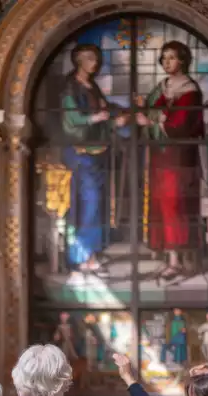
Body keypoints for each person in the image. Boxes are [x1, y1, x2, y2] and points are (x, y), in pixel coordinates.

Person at [137, 41, 204, 281]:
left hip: (178, 157)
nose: (167, 62)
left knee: (175, 205)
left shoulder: (189, 89)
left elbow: (182, 125)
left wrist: (155, 119)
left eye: (172, 57)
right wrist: (149, 113)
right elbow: (155, 114)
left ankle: (179, 262)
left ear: (183, 60)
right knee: (161, 205)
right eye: (164, 58)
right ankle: (170, 258)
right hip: (160, 156)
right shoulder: (162, 87)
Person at [62, 44, 128, 272]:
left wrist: (115, 118)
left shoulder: (92, 87)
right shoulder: (70, 87)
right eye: (90, 58)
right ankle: (83, 257)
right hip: (81, 152)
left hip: (98, 151)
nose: (95, 63)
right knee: (88, 203)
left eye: (97, 59)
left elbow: (104, 112)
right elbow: (71, 121)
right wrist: (97, 118)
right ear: (78, 60)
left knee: (97, 203)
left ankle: (92, 253)